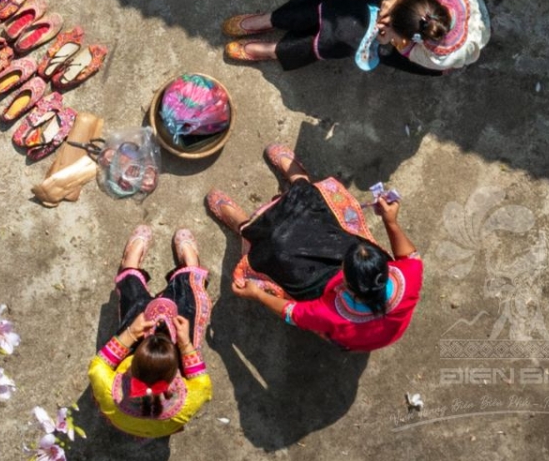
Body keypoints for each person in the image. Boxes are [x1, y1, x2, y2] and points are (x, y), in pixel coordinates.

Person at [208, 144, 423, 352]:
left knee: (277, 251)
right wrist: (391, 221)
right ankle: (299, 182)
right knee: (323, 219)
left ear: (347, 286)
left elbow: (292, 313)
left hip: (329, 301)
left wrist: (258, 295)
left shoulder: (333, 314)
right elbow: (410, 256)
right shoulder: (409, 276)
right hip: (381, 328)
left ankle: (246, 226)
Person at [88, 225, 213, 437]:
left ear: (132, 367)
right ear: (175, 371)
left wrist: (131, 333)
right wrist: (184, 344)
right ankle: (190, 271)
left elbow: (99, 364)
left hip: (124, 419)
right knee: (188, 308)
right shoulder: (190, 399)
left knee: (135, 307)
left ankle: (130, 266)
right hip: (161, 424)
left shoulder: (107, 388)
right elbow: (201, 381)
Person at [221, 0, 458, 74]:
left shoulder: (436, 58)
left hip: (413, 46)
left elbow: (414, 56)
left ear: (404, 39)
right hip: (409, 20)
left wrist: (388, 41)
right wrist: (393, 0)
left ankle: (276, 49)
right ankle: (272, 19)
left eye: (389, 25)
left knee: (344, 39)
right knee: (341, 13)